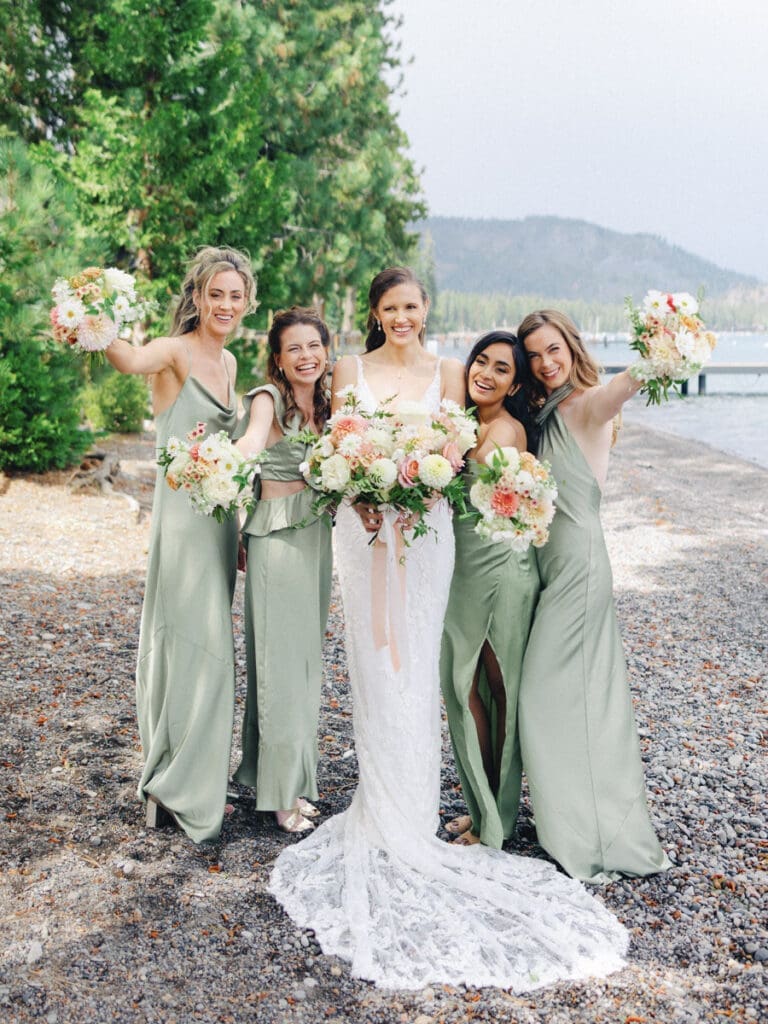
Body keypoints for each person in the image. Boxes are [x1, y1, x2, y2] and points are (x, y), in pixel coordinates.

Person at [267, 269, 629, 992]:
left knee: (420, 670)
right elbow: (335, 444)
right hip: (360, 530)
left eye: (412, 306)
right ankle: (381, 807)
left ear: (425, 310)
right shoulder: (348, 368)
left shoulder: (451, 373)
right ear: (376, 313)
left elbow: (471, 447)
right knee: (373, 668)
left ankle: (420, 810)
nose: (402, 317)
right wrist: (357, 492)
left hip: (429, 533)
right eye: (390, 308)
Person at [105, 245, 257, 843]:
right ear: (197, 297)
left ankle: (174, 779)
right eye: (215, 293)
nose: (224, 304)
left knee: (206, 640)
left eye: (235, 295)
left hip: (218, 523)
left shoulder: (233, 363)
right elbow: (125, 358)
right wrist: (94, 314)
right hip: (181, 523)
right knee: (198, 647)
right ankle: (177, 783)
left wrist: (241, 527)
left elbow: (234, 456)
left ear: (247, 302)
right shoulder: (172, 353)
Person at [517, 309, 672, 883]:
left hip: (580, 567)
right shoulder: (543, 412)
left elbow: (624, 388)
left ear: (572, 346)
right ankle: (574, 817)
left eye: (552, 348)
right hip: (550, 566)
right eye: (533, 354)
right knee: (572, 698)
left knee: (546, 697)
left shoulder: (587, 404)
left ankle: (585, 830)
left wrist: (666, 344)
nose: (545, 362)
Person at [231, 307, 333, 834]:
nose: (305, 356)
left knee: (303, 663)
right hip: (276, 539)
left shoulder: (329, 403)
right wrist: (230, 460)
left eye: (313, 345)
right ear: (277, 358)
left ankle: (276, 775)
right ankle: (278, 793)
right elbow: (251, 442)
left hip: (316, 538)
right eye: (293, 348)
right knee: (279, 666)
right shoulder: (268, 399)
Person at [440, 330, 540, 849]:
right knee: (467, 688)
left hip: (499, 569)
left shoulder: (503, 431)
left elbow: (492, 498)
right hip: (460, 570)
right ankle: (480, 806)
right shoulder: (464, 420)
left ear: (514, 382)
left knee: (498, 689)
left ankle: (496, 817)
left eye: (502, 369)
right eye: (481, 361)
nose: (487, 373)